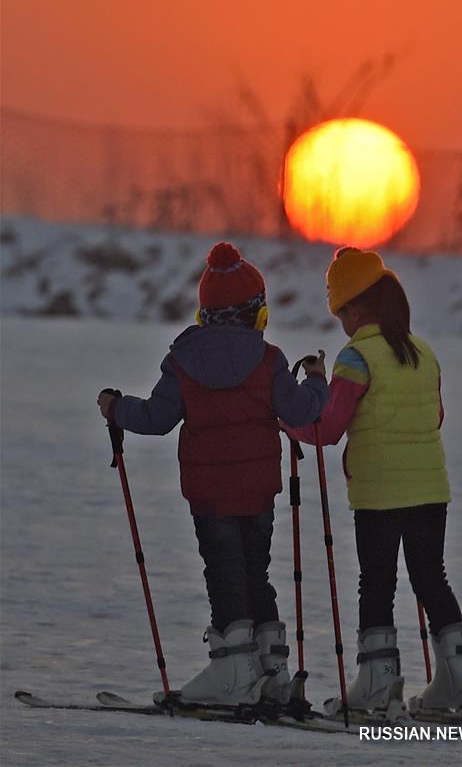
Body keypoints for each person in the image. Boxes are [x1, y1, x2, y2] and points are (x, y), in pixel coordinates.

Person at [97, 241, 327, 708]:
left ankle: (233, 674)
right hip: (259, 491)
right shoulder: (269, 361)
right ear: (255, 313)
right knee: (255, 574)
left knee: (223, 575)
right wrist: (318, 380)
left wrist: (116, 408)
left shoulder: (184, 361)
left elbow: (157, 419)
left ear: (206, 314)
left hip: (209, 494)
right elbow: (301, 410)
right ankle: (272, 670)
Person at [285, 246, 462, 718]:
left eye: (341, 313)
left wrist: (289, 419)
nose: (341, 322)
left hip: (378, 492)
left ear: (356, 309)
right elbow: (434, 417)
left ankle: (378, 684)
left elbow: (328, 429)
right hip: (430, 488)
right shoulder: (425, 352)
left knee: (376, 583)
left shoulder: (356, 357)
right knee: (430, 578)